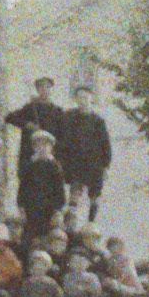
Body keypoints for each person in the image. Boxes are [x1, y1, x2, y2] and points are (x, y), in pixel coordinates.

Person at [59, 83, 113, 220]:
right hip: (76, 162)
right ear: (76, 100)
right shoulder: (69, 117)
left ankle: (91, 222)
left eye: (86, 98)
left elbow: (105, 145)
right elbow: (62, 140)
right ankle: (70, 222)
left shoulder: (98, 121)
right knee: (75, 193)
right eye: (80, 98)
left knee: (94, 196)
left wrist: (106, 166)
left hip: (94, 164)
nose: (83, 101)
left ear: (91, 99)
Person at [17, 127, 67, 257]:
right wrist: (21, 207)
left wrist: (57, 210)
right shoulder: (29, 166)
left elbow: (60, 191)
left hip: (48, 211)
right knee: (30, 238)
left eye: (45, 144)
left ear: (51, 147)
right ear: (34, 147)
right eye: (38, 144)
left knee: (47, 238)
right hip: (31, 209)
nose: (42, 148)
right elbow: (23, 188)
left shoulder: (55, 166)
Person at [5, 76, 69, 180]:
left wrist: (58, 156)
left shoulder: (58, 111)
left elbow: (62, 136)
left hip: (50, 154)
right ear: (37, 90)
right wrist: (26, 124)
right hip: (31, 153)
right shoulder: (30, 108)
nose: (45, 90)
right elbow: (9, 117)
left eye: (48, 87)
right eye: (41, 87)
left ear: (51, 90)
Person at [0, 220, 24, 297]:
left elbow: (17, 271)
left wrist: (4, 276)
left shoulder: (9, 253)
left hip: (7, 289)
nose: (0, 243)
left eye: (2, 241)